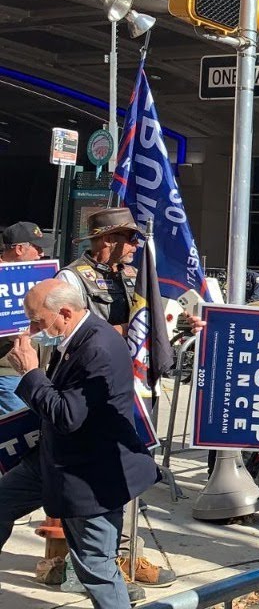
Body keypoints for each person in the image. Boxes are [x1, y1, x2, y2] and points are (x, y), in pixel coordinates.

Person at [0, 280, 160, 606]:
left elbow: (67, 414)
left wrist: (31, 373)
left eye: (37, 322)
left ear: (65, 313)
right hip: (52, 461)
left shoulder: (97, 348)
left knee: (96, 568)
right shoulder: (75, 335)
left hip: (90, 478)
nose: (31, 330)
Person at [56, 207, 143, 331]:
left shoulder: (134, 274)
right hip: (95, 350)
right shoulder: (71, 277)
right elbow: (64, 330)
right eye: (131, 237)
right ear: (108, 240)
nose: (136, 244)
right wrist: (128, 330)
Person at [0, 221, 53, 413]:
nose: (41, 254)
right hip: (8, 371)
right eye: (37, 248)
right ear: (20, 249)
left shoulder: (38, 277)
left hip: (35, 368)